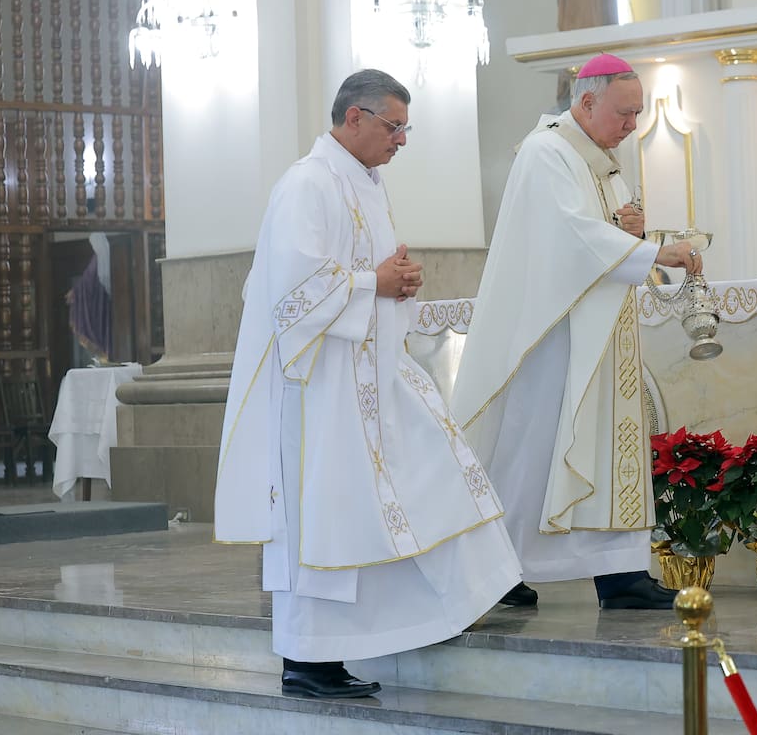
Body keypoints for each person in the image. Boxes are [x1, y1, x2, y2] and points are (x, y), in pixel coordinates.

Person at [214, 70, 521, 699]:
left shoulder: (365, 184)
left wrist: (396, 281)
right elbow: (287, 290)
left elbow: (367, 274)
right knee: (329, 517)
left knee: (432, 475)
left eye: (406, 127)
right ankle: (307, 660)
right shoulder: (307, 183)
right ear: (355, 117)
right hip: (322, 389)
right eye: (394, 126)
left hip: (374, 377)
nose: (402, 140)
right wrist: (371, 283)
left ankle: (431, 611)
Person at [451, 53, 702, 611]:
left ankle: (619, 572)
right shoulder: (546, 153)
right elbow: (571, 237)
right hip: (550, 337)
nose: (632, 126)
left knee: (607, 449)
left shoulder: (602, 159)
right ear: (586, 102)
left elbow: (604, 234)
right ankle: (497, 571)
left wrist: (633, 231)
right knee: (533, 452)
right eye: (624, 113)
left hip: (600, 332)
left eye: (637, 114)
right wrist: (655, 250)